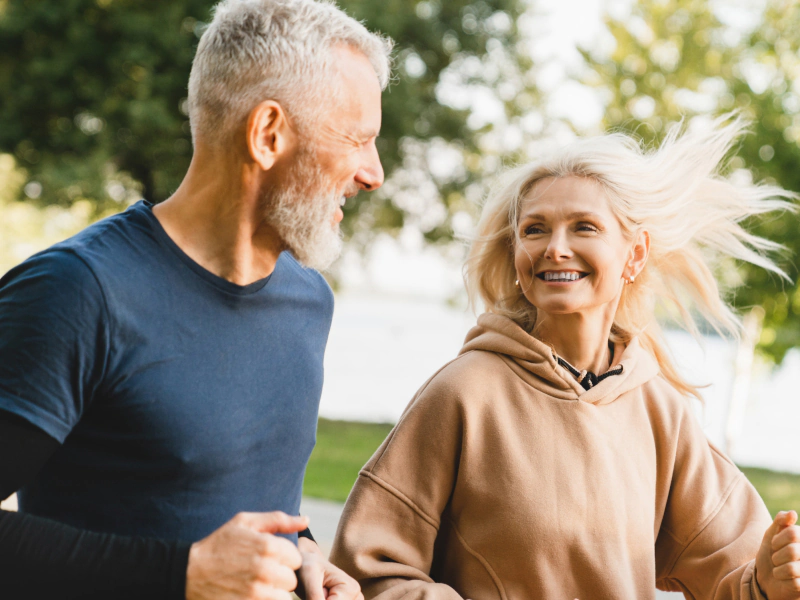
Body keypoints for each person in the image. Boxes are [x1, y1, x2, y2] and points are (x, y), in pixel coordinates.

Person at [0, 0, 391, 598]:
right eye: (358, 139)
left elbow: (245, 493)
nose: (374, 172)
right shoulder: (76, 292)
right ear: (267, 134)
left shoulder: (308, 298)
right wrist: (181, 575)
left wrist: (302, 549)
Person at [330, 118, 800, 599]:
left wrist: (766, 581)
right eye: (535, 230)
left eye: (584, 227)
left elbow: (735, 573)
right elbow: (365, 571)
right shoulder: (463, 393)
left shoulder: (660, 410)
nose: (555, 249)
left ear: (634, 255)